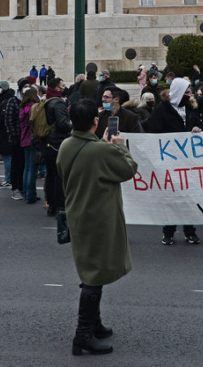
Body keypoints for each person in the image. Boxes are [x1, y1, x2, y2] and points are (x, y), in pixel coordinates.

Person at [57, 99, 138, 356]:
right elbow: (128, 169)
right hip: (99, 217)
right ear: (95, 121)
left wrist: (102, 144)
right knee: (94, 274)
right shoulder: (101, 151)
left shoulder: (67, 145)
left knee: (91, 270)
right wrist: (120, 147)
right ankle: (82, 334)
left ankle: (94, 323)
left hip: (79, 213)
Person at [145, 78, 202, 245]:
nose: (189, 95)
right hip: (169, 161)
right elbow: (153, 133)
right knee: (171, 198)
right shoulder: (161, 110)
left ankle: (190, 231)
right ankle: (168, 231)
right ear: (178, 93)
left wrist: (196, 130)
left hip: (189, 161)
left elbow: (197, 125)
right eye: (186, 92)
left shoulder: (190, 108)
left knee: (189, 197)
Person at [43, 77, 72, 215]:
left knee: (50, 175)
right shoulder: (58, 103)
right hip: (57, 142)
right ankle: (60, 205)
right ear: (56, 88)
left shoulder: (47, 100)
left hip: (48, 141)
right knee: (59, 175)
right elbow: (62, 124)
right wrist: (73, 125)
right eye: (62, 86)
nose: (64, 88)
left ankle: (51, 205)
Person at [19, 87, 41, 204]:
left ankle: (26, 192)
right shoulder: (34, 108)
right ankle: (30, 195)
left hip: (24, 139)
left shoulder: (23, 108)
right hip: (33, 139)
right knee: (32, 169)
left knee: (27, 168)